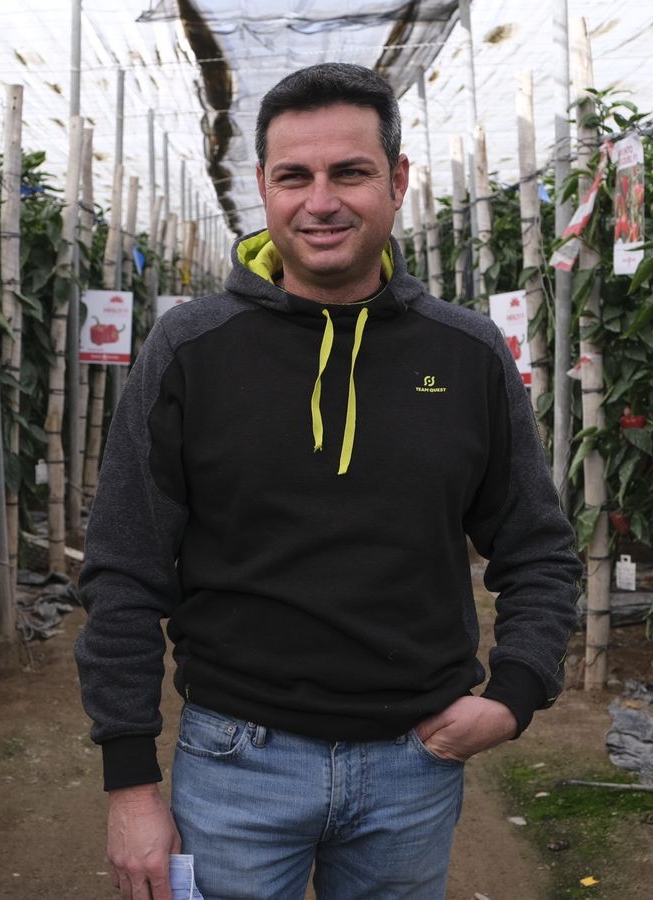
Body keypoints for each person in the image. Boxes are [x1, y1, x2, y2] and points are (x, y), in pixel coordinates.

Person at [75, 62, 582, 900]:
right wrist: (130, 782)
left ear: (397, 181)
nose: (321, 201)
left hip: (413, 769)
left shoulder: (467, 353)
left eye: (349, 172)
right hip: (235, 760)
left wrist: (517, 691)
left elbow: (537, 545)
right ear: (263, 191)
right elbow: (124, 566)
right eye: (293, 177)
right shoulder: (191, 351)